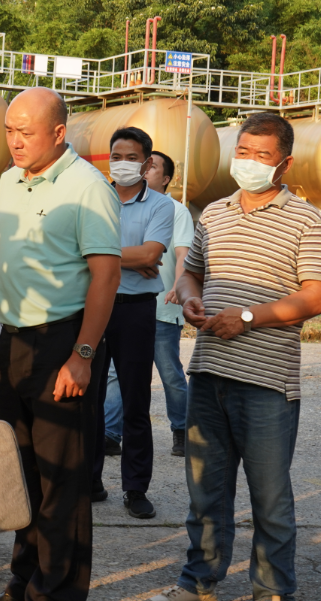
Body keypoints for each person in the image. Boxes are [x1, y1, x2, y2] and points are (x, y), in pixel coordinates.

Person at [151, 113, 321, 601]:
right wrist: (190, 297)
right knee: (205, 492)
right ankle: (198, 581)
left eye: (262, 155)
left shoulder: (306, 220)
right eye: (243, 152)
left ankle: (272, 589)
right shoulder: (214, 213)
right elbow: (191, 272)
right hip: (209, 372)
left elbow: (317, 296)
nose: (249, 162)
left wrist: (249, 317)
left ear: (284, 164)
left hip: (268, 382)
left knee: (269, 497)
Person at [0, 88, 122, 601]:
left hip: (64, 340)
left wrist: (82, 356)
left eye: (26, 132)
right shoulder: (10, 181)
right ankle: (26, 574)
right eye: (9, 131)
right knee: (22, 470)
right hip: (13, 341)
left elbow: (106, 276)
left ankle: (58, 589)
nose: (14, 141)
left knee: (63, 477)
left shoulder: (89, 188)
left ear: (59, 133)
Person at [90, 128, 174, 521]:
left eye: (131, 157)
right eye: (116, 156)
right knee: (87, 397)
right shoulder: (93, 197)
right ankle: (90, 480)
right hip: (93, 306)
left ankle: (135, 487)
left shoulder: (160, 205)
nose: (122, 163)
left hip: (135, 310)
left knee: (135, 400)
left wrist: (99, 254)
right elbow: (76, 249)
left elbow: (151, 255)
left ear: (147, 163)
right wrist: (132, 258)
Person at [102, 151, 193, 459]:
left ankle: (182, 428)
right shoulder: (108, 202)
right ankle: (110, 433)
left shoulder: (175, 210)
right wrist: (136, 258)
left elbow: (181, 253)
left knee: (169, 372)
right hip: (121, 302)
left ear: (165, 179)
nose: (143, 169)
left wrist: (178, 285)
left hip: (162, 305)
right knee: (115, 374)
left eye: (152, 167)